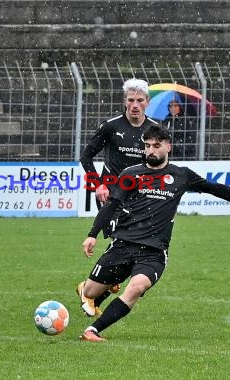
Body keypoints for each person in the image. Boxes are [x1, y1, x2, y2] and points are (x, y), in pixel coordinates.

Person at [78, 125, 230, 342]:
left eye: (156, 146)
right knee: (90, 293)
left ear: (168, 147)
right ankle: (91, 287)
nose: (150, 150)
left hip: (154, 251)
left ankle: (92, 330)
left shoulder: (181, 175)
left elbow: (215, 188)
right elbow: (112, 205)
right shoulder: (131, 174)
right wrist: (93, 234)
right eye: (147, 146)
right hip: (123, 244)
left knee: (136, 288)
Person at [78, 78, 162, 316]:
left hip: (140, 199)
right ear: (125, 101)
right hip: (112, 196)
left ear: (147, 102)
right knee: (125, 244)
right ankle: (95, 293)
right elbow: (86, 157)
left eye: (140, 100)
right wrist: (98, 185)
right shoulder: (111, 126)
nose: (135, 105)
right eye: (131, 100)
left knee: (131, 248)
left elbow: (157, 164)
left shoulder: (154, 130)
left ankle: (93, 290)